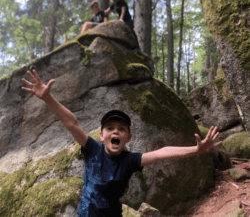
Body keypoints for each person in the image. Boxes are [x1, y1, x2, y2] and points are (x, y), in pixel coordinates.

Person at [21, 69, 223, 217]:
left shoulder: (130, 160)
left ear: (129, 137)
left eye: (121, 128)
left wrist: (197, 150)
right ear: (101, 135)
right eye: (110, 128)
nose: (115, 131)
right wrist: (47, 98)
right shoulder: (92, 150)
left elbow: (163, 152)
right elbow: (71, 122)